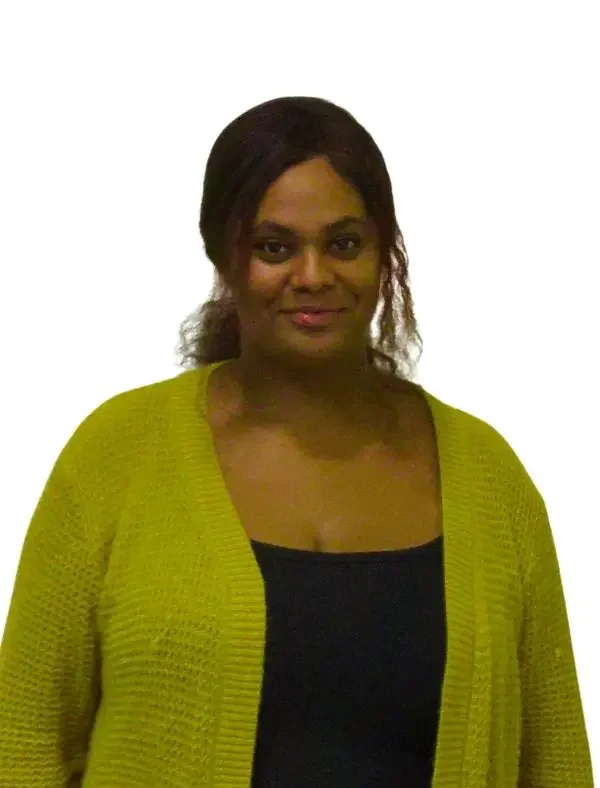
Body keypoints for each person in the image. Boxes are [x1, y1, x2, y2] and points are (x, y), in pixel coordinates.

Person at [0, 96, 593, 787]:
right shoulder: (115, 460)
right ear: (223, 254)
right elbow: (24, 746)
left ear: (385, 251)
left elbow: (553, 761)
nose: (313, 276)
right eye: (274, 247)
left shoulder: (490, 481)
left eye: (344, 243)